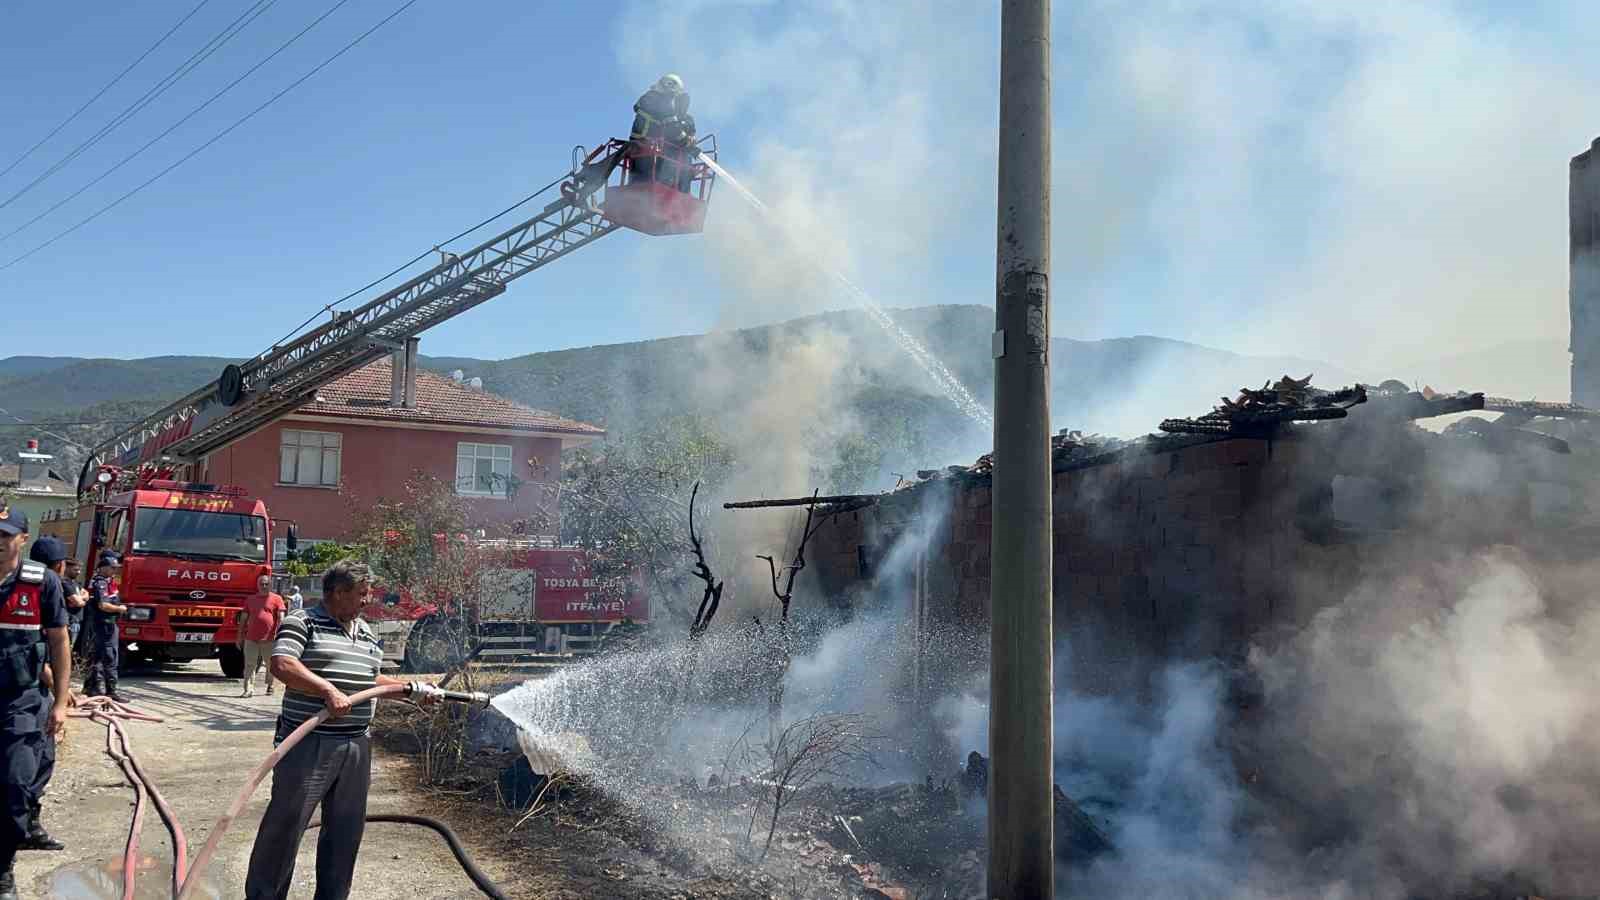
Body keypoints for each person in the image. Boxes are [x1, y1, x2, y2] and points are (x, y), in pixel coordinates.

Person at [244, 560, 439, 900]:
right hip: (309, 741)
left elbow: (369, 682)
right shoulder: (302, 621)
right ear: (337, 592)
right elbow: (282, 664)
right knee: (286, 825)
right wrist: (326, 690)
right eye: (361, 594)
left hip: (356, 743)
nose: (367, 600)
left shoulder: (365, 631)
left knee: (345, 831)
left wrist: (411, 692)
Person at [0, 507, 71, 900]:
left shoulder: (41, 583)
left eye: (6, 536)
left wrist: (60, 703)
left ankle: (2, 868)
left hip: (22, 700)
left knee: (16, 785)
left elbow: (59, 644)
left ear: (22, 539)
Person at [19, 539, 76, 855]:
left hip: (38, 692)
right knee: (32, 764)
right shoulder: (35, 589)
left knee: (40, 761)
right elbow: (36, 651)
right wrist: (60, 693)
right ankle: (23, 829)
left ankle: (29, 825)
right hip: (29, 694)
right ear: (59, 565)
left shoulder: (38, 587)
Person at [628, 73, 697, 191]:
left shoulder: (649, 98)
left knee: (639, 181)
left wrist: (689, 139)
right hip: (649, 147)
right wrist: (687, 142)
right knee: (680, 163)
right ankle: (678, 190)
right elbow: (672, 129)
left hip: (638, 146)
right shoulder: (663, 101)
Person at [83, 552, 127, 703]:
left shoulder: (106, 581)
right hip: (105, 624)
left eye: (116, 568)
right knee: (110, 656)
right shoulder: (100, 583)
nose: (114, 570)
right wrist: (120, 609)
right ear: (103, 568)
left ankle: (90, 687)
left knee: (97, 656)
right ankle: (111, 691)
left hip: (104, 623)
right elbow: (103, 605)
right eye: (112, 568)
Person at [235, 574, 285, 697]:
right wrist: (239, 636)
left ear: (270, 585)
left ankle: (270, 685)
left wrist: (280, 633)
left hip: (269, 639)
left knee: (270, 664)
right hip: (251, 638)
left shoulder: (277, 599)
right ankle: (248, 689)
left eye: (266, 584)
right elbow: (243, 619)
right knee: (249, 664)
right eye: (261, 584)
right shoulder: (250, 599)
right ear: (257, 585)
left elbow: (281, 617)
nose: (263, 586)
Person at [60, 558, 87, 656]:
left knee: (69, 649)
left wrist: (81, 598)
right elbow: (78, 603)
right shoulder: (64, 583)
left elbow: (86, 593)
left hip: (76, 622)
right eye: (75, 570)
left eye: (79, 570)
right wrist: (81, 600)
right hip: (70, 622)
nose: (79, 572)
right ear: (66, 568)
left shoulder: (74, 583)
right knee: (65, 650)